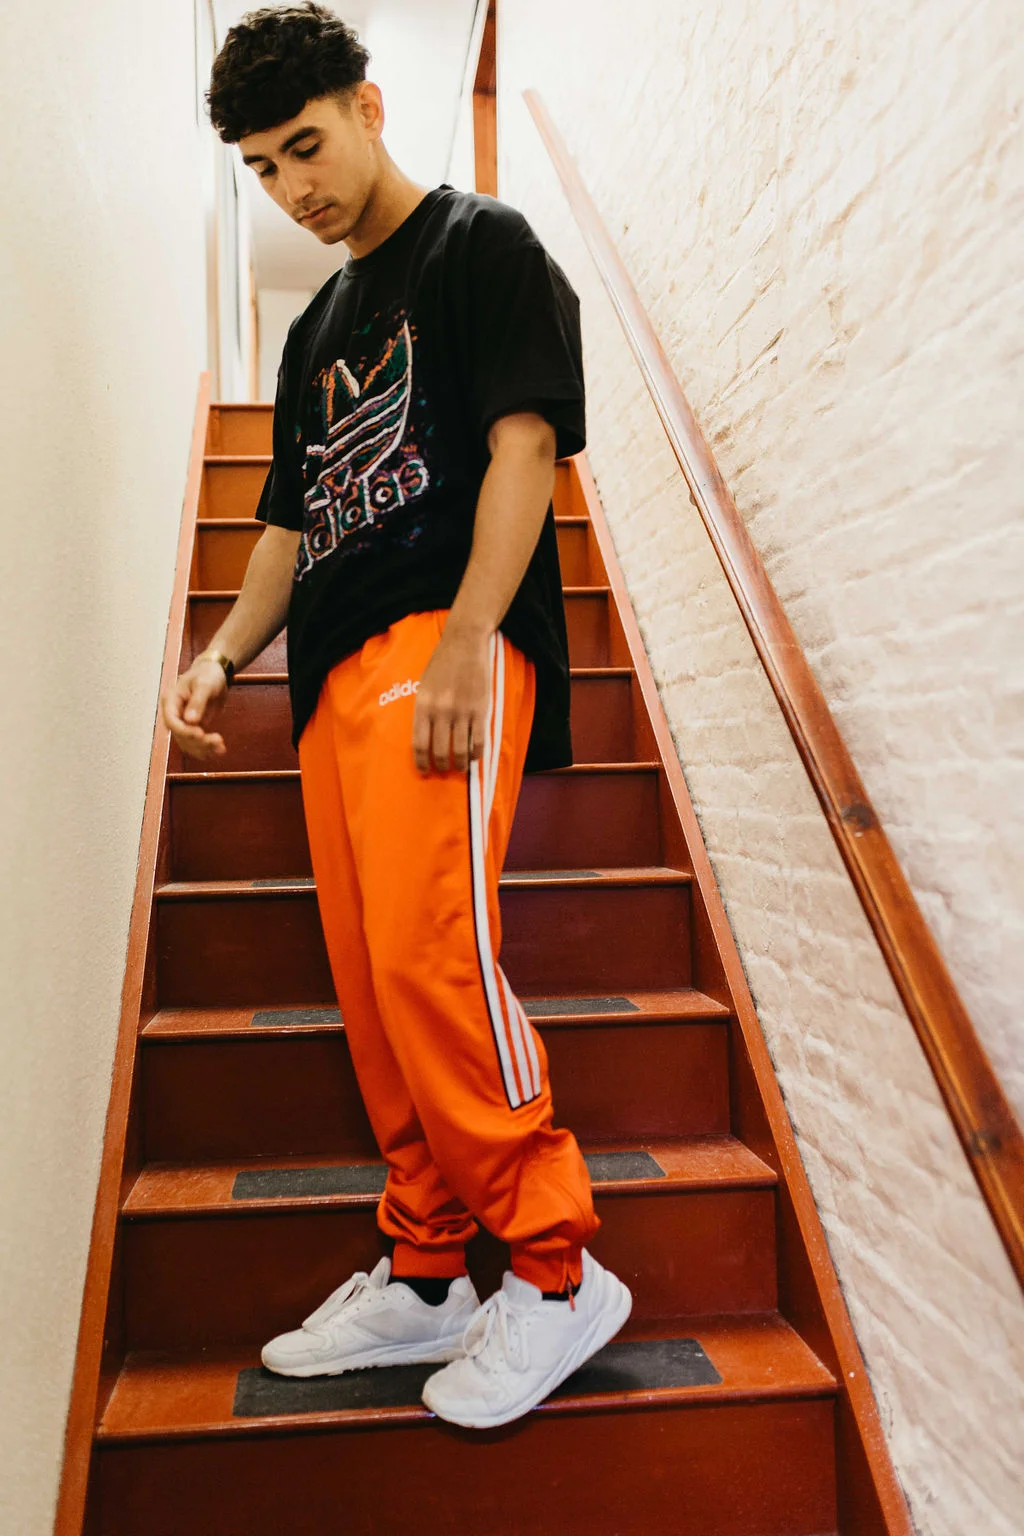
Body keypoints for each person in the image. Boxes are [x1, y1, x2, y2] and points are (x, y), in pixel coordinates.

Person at [161, 1, 631, 1430]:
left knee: (435, 958)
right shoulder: (314, 328)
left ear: (367, 107)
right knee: (373, 988)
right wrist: (223, 655)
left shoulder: (483, 245)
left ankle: (553, 1270)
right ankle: (427, 1270)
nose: (291, 186)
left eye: (305, 146)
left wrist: (473, 637)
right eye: (262, 167)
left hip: (443, 636)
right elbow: (288, 527)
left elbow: (525, 444)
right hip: (329, 676)